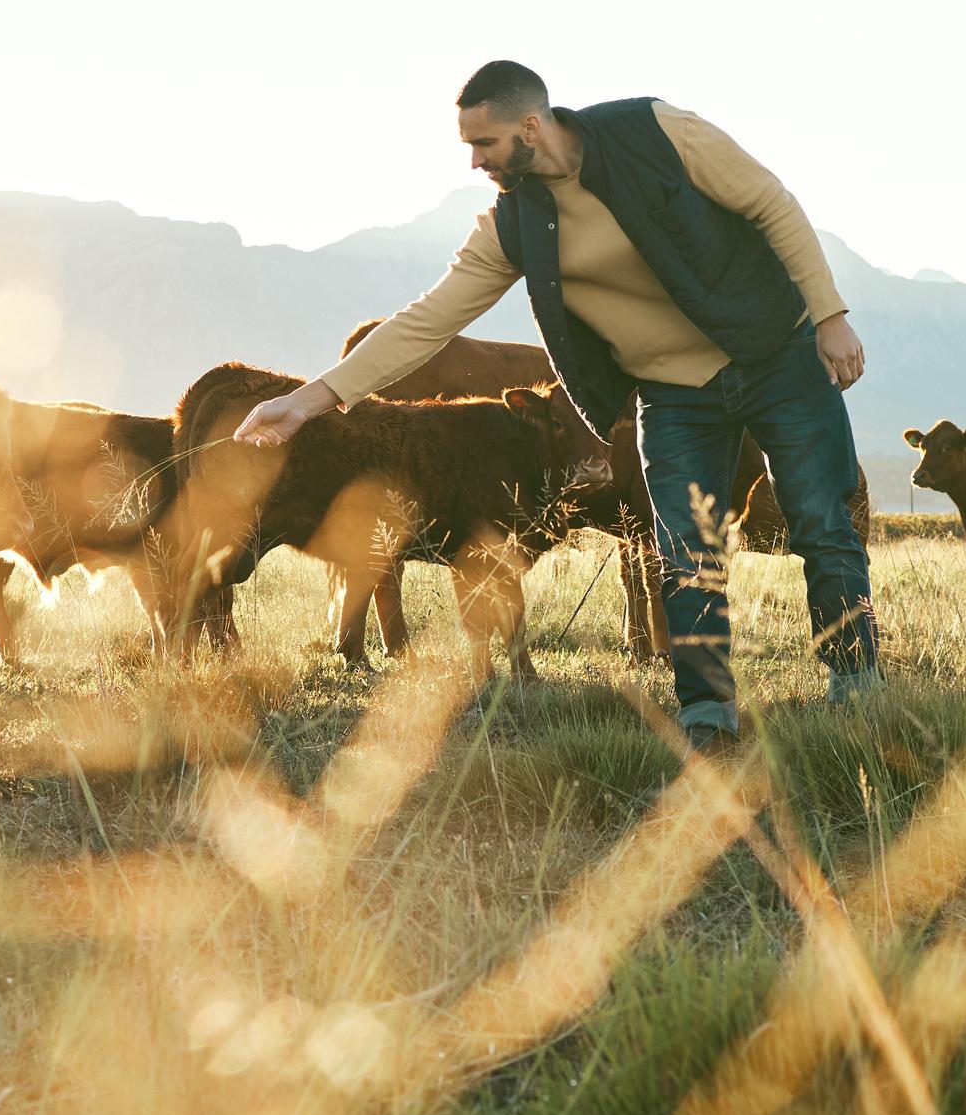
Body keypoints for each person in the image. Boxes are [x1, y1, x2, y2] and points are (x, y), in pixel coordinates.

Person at [231, 60, 880, 745]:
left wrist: (830, 313)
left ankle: (855, 683)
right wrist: (309, 401)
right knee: (686, 548)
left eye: (484, 144)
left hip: (774, 351)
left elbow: (768, 201)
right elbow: (426, 321)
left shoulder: (657, 130)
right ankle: (708, 714)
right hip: (672, 393)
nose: (475, 162)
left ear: (531, 127)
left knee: (819, 518)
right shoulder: (512, 228)